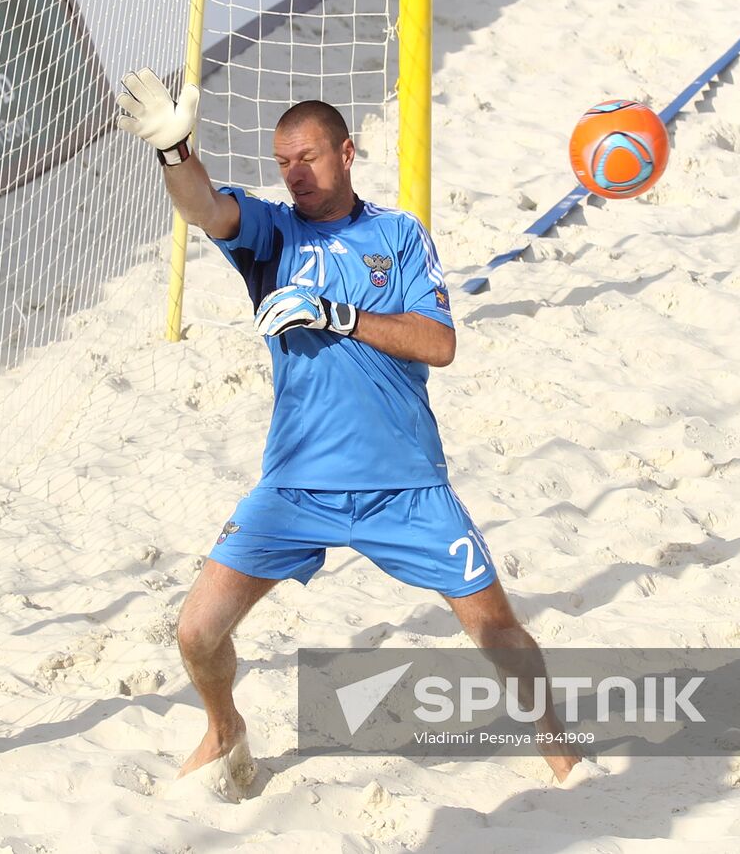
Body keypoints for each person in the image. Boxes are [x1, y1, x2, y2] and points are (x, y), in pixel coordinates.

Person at [116, 70, 600, 788]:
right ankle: (225, 727)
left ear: (347, 152)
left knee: (495, 628)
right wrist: (173, 153)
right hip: (296, 485)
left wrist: (336, 314)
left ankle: (562, 752)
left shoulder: (398, 235)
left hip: (404, 483)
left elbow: (439, 343)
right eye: (283, 163)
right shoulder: (272, 234)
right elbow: (205, 210)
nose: (295, 175)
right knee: (196, 632)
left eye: (307, 158)